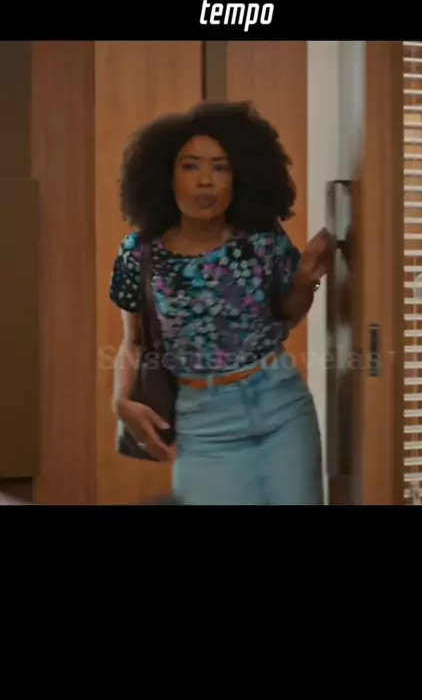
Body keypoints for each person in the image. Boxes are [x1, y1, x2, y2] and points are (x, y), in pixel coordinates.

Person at [109, 101, 332, 505]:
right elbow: (135, 342)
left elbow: (287, 313)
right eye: (190, 166)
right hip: (204, 426)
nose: (206, 180)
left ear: (239, 176)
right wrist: (121, 400)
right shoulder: (139, 254)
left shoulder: (262, 239)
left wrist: (305, 281)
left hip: (282, 406)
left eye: (221, 167)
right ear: (167, 176)